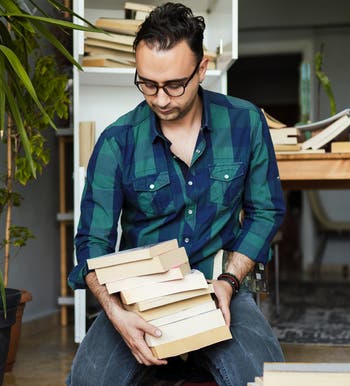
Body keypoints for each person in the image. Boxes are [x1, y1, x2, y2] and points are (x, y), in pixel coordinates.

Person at [67, 3, 285, 385]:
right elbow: (91, 244)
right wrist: (117, 315)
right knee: (87, 381)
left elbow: (266, 211)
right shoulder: (117, 141)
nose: (161, 99)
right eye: (147, 84)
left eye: (174, 85)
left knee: (265, 378)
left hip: (218, 289)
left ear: (202, 70)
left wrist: (229, 282)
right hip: (139, 299)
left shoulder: (245, 122)